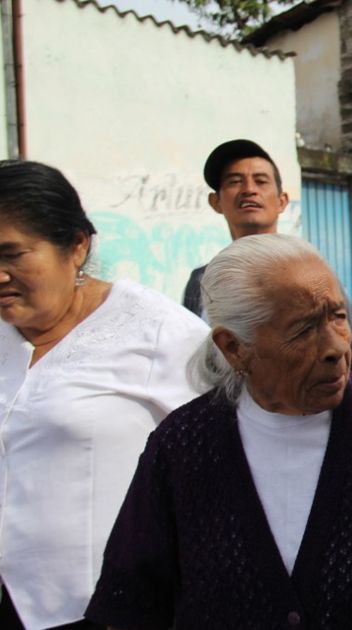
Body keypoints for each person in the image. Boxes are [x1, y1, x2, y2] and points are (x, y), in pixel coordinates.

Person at [85, 234, 352, 629]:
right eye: (302, 329)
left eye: (337, 317)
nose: (336, 348)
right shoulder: (182, 445)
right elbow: (134, 602)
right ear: (233, 347)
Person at [0, 160, 209, 629]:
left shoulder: (159, 332)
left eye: (12, 254)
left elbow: (227, 458)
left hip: (103, 610)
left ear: (76, 246)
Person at [182, 139, 352, 373]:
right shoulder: (201, 282)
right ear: (215, 202)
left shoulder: (315, 275)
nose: (249, 189)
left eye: (261, 181)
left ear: (282, 202)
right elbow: (191, 364)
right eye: (234, 181)